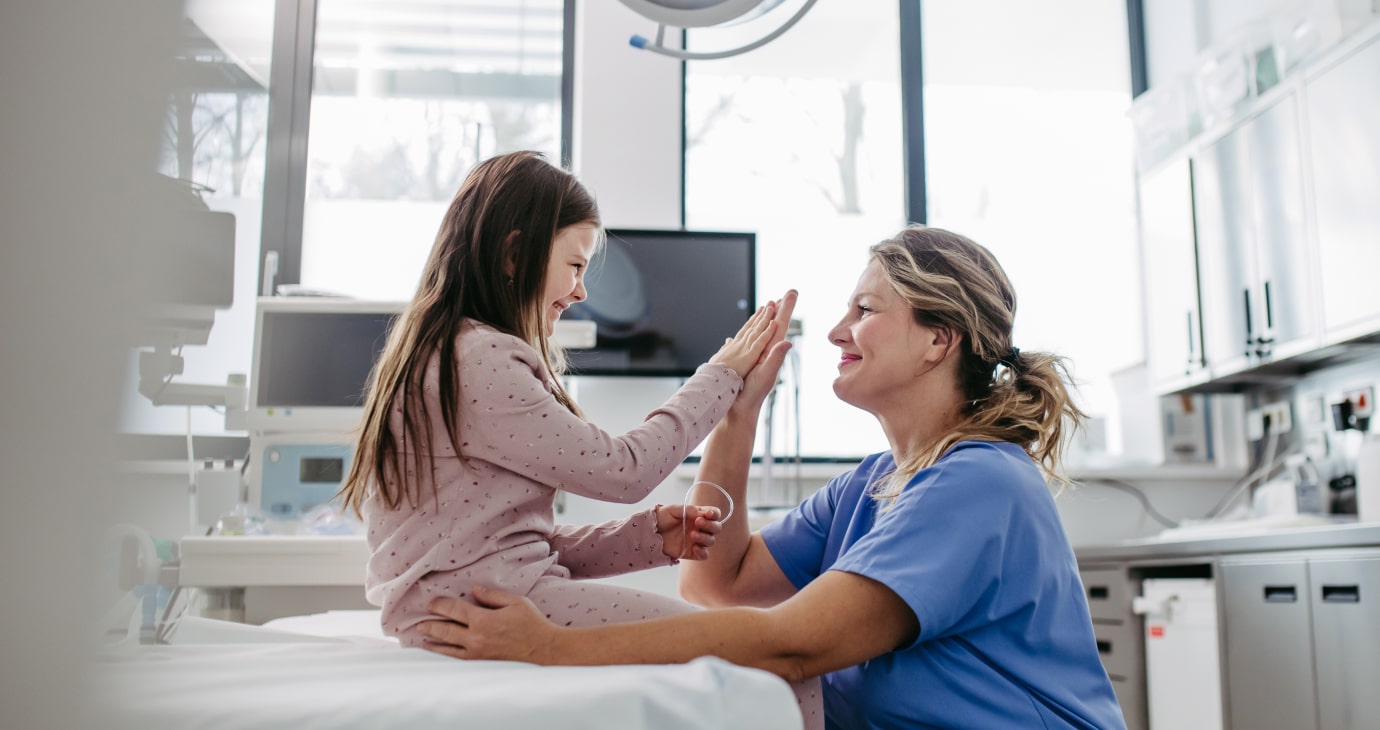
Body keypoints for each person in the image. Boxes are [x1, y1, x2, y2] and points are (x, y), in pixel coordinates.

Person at [417, 225, 1129, 730]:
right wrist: (737, 415)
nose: (835, 331)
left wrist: (552, 648)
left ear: (939, 341)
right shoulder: (875, 483)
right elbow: (714, 581)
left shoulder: (980, 484)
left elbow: (796, 642)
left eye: (866, 310)